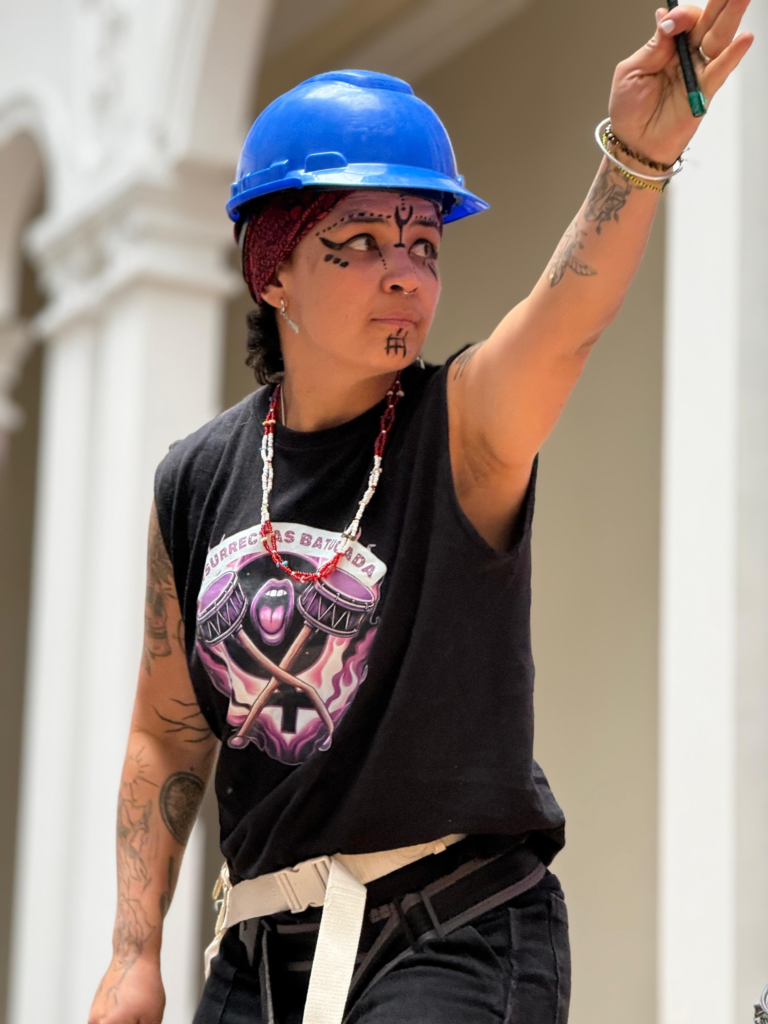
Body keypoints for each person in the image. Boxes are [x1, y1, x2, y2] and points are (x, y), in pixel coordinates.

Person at [89, 4, 752, 1023]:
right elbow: (168, 734)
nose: (406, 272)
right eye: (360, 242)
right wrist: (134, 955)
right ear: (272, 268)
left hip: (454, 934)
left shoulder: (466, 424)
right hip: (258, 959)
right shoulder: (195, 479)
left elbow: (566, 322)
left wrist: (637, 158)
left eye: (425, 244)